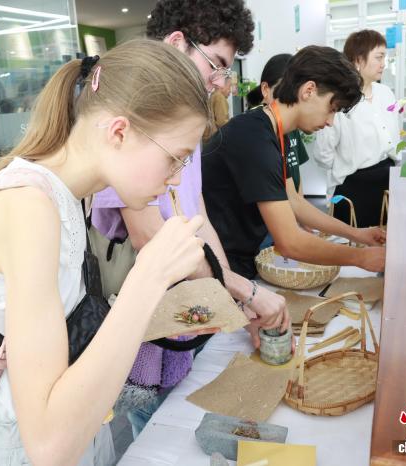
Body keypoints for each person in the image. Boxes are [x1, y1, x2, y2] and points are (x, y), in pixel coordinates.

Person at [0, 39, 210, 465]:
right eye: (174, 159)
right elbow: (49, 446)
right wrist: (150, 275)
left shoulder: (69, 195)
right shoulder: (29, 208)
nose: (176, 179)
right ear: (119, 132)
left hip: (85, 429)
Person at [91, 0, 290, 439]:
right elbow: (149, 239)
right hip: (145, 311)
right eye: (215, 65)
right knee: (156, 432)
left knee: (187, 415)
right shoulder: (123, 118)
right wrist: (242, 290)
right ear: (178, 42)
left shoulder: (184, 114)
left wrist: (231, 296)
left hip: (188, 299)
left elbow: (197, 214)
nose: (219, 82)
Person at [202, 46, 387, 281]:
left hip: (239, 259)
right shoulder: (253, 139)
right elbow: (290, 242)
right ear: (309, 90)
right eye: (331, 109)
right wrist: (360, 257)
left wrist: (357, 234)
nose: (330, 122)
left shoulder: (279, 132)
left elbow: (295, 202)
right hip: (219, 267)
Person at [308, 30, 400, 227]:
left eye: (384, 57)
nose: (383, 63)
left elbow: (394, 139)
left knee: (387, 240)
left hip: (387, 182)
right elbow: (323, 153)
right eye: (379, 57)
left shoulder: (386, 93)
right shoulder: (340, 98)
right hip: (354, 187)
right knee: (353, 242)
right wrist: (346, 164)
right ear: (358, 59)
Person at [247, 53, 309, 194]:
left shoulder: (290, 126)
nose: (290, 101)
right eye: (284, 92)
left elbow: (296, 172)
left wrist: (300, 200)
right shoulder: (255, 130)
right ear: (265, 89)